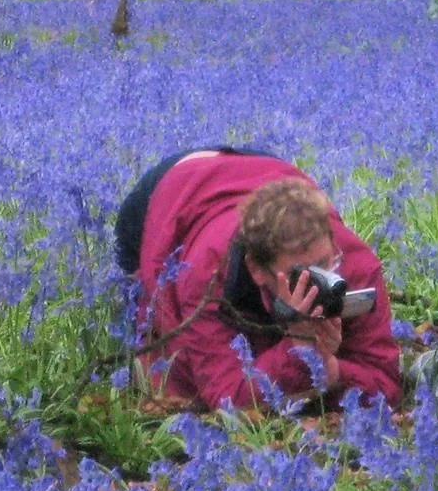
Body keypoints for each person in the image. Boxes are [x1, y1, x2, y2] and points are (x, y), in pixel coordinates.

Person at [115, 147, 401, 410]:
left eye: (325, 263)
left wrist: (332, 369)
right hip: (170, 193)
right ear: (255, 269)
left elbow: (386, 384)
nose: (320, 281)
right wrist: (298, 348)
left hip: (262, 169)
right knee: (168, 372)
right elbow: (225, 397)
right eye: (299, 274)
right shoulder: (205, 273)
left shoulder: (355, 263)